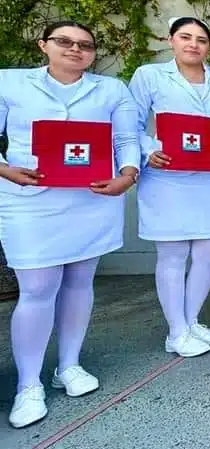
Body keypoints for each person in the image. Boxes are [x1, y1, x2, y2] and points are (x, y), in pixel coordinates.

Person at [0, 21, 140, 428]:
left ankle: (69, 366)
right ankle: (29, 385)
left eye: (85, 45)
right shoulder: (10, 83)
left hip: (91, 198)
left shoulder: (111, 89)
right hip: (31, 199)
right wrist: (5, 169)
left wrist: (127, 175)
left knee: (80, 281)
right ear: (44, 44)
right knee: (38, 287)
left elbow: (126, 140)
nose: (75, 50)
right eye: (64, 42)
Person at [128, 16, 210, 358]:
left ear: (209, 46)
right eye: (185, 37)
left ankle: (191, 320)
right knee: (173, 254)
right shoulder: (149, 75)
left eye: (201, 39)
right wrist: (147, 151)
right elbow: (129, 124)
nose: (193, 44)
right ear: (170, 39)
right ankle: (176, 330)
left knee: (209, 251)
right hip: (168, 175)